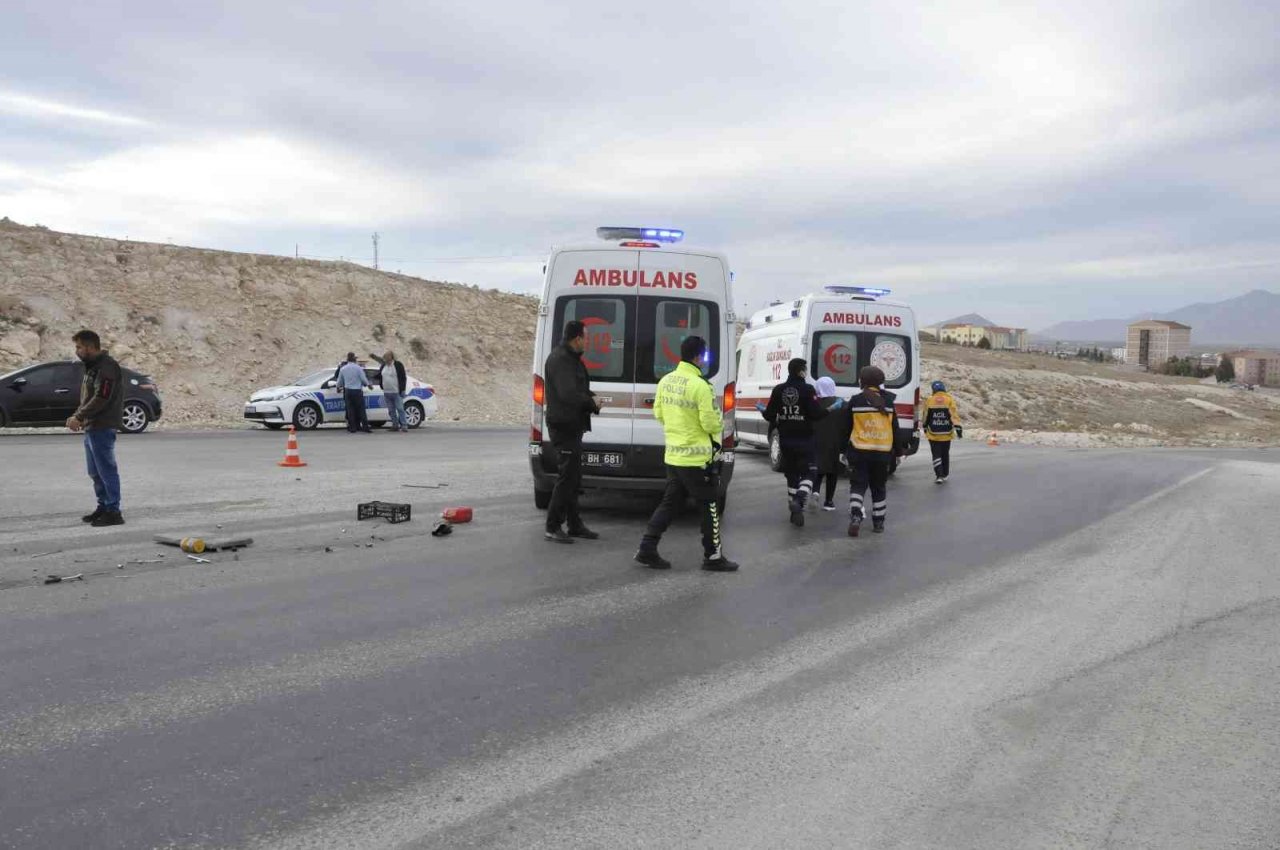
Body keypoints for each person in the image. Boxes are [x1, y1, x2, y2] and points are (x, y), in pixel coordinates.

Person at [635, 336, 737, 571]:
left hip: (674, 456)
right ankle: (713, 557)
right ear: (699, 357)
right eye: (705, 355)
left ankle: (647, 547)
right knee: (710, 505)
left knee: (670, 504)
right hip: (697, 459)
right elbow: (711, 424)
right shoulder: (701, 385)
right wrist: (720, 424)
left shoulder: (666, 381)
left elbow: (659, 414)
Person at [542, 320, 601, 544]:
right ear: (576, 339)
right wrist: (591, 403)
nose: (586, 342)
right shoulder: (560, 360)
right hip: (563, 426)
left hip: (573, 425)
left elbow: (579, 389)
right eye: (584, 338)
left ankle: (575, 524)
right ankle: (552, 526)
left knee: (574, 478)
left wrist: (592, 398)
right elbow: (569, 395)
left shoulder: (572, 360)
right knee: (566, 478)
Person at [758, 358, 833, 527]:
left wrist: (766, 413)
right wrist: (830, 409)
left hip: (786, 439)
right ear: (801, 371)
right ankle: (799, 499)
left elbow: (770, 415)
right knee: (810, 472)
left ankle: (795, 513)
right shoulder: (807, 390)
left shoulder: (779, 390)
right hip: (805, 438)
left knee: (791, 474)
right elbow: (815, 414)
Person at [66, 330, 126, 527]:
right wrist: (79, 416)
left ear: (90, 347)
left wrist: (79, 416)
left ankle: (113, 512)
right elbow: (88, 396)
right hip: (92, 425)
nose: (77, 351)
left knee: (106, 470)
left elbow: (102, 397)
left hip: (103, 425)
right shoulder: (93, 367)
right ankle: (103, 506)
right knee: (95, 471)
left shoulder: (106, 367)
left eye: (79, 347)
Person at [846, 366, 897, 537]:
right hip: (882, 452)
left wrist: (842, 449)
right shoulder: (889, 402)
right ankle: (878, 522)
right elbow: (894, 428)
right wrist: (897, 451)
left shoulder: (855, 400)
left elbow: (846, 427)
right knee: (879, 487)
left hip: (860, 451)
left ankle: (855, 516)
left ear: (863, 381)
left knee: (858, 485)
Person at [811, 376, 846, 511]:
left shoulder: (814, 403)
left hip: (816, 440)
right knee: (833, 472)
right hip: (836, 441)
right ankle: (829, 501)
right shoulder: (841, 403)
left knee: (818, 468)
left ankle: (815, 491)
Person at [923, 380, 963, 483]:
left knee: (936, 454)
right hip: (947, 433)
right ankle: (945, 474)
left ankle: (939, 476)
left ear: (933, 390)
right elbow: (954, 415)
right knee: (945, 453)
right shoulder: (949, 400)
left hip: (933, 433)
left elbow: (925, 416)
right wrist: (958, 428)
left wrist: (924, 427)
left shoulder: (929, 400)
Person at [337, 352, 371, 433]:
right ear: (354, 359)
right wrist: (368, 385)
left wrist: (338, 388)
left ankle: (353, 428)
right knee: (361, 409)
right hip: (357, 391)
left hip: (348, 391)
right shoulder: (358, 368)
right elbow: (363, 379)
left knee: (350, 410)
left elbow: (339, 381)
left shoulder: (343, 369)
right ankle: (365, 427)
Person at [381, 351, 409, 432]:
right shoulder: (383, 366)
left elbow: (403, 377)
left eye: (386, 357)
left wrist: (403, 389)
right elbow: (380, 375)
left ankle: (404, 425)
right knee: (391, 410)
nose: (385, 359)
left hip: (396, 391)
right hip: (387, 392)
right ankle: (395, 425)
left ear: (391, 357)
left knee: (400, 408)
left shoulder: (398, 365)